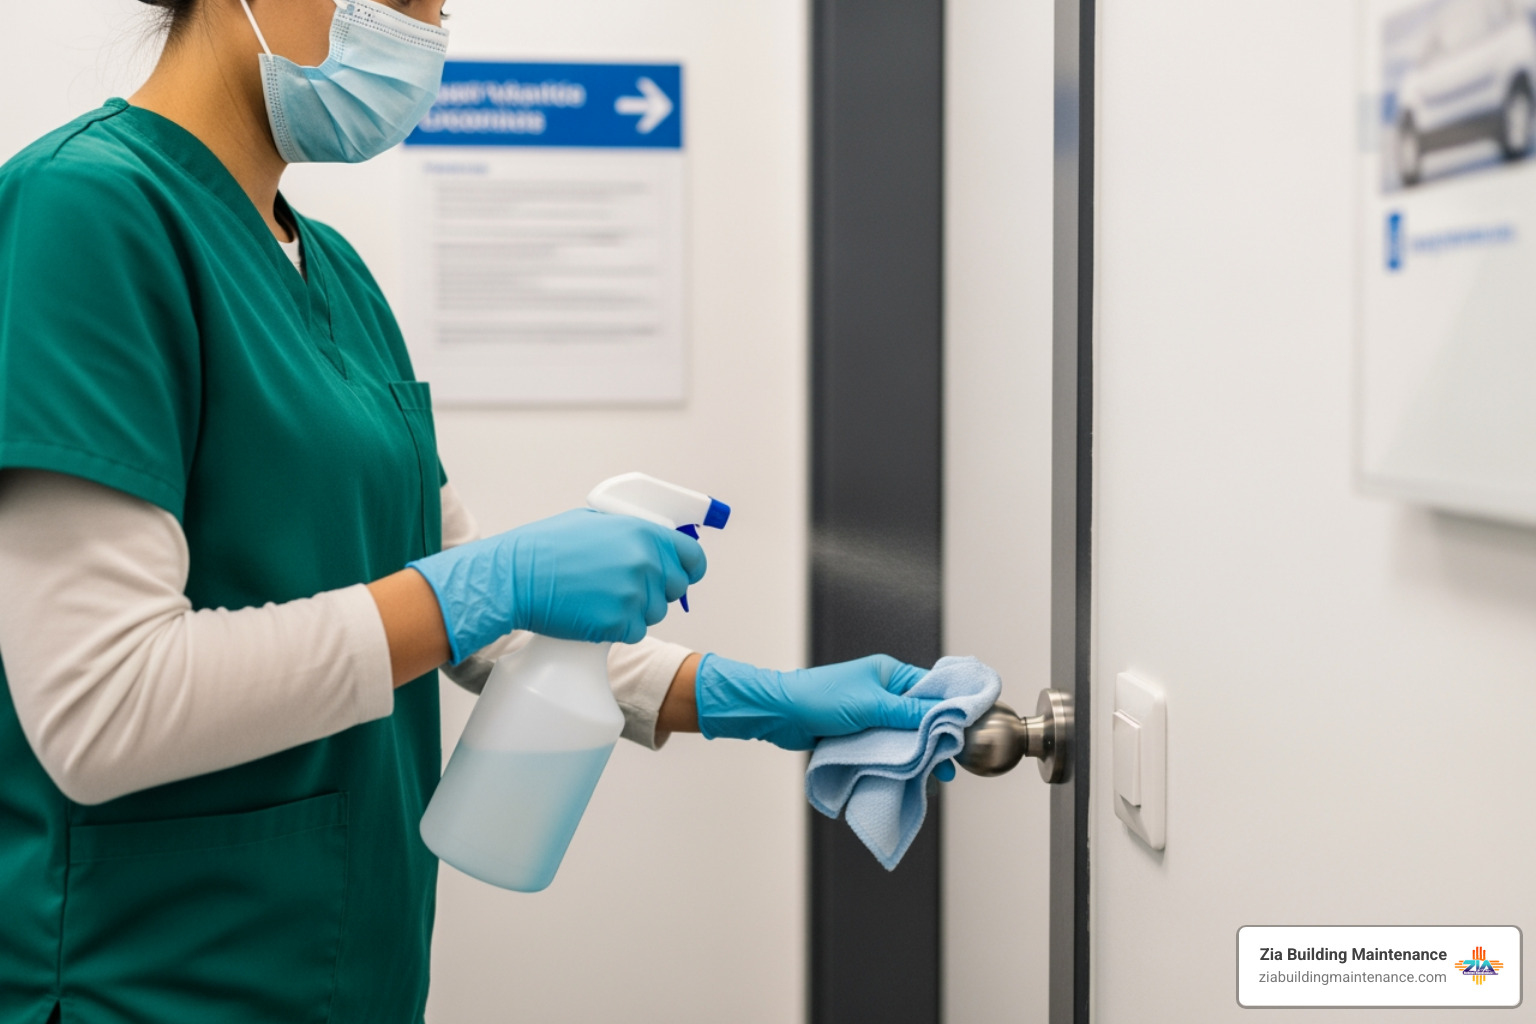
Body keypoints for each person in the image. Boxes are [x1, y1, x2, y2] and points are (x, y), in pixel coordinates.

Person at [0, 2, 949, 1022]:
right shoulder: (83, 213)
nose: (429, 37)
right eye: (405, 2)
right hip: (144, 982)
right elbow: (102, 708)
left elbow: (465, 599)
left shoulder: (341, 279)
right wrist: (473, 589)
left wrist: (752, 700)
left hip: (346, 973)